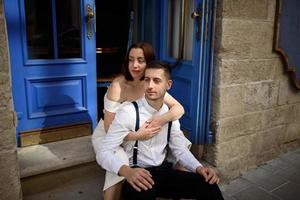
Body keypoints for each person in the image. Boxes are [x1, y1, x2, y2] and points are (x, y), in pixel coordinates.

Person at [98, 61, 224, 200]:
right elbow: (104, 152)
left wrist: (199, 168)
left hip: (164, 172)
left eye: (156, 81)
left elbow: (179, 149)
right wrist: (127, 171)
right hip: (137, 173)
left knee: (208, 185)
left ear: (168, 85)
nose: (150, 86)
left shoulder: (169, 114)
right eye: (147, 80)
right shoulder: (128, 112)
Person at [92, 42, 189, 200]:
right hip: (111, 133)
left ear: (149, 63)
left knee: (181, 143)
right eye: (131, 60)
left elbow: (179, 109)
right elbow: (110, 128)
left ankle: (178, 187)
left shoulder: (150, 83)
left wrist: (160, 120)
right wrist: (138, 136)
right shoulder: (119, 85)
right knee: (120, 160)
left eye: (140, 60)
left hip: (139, 130)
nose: (134, 65)